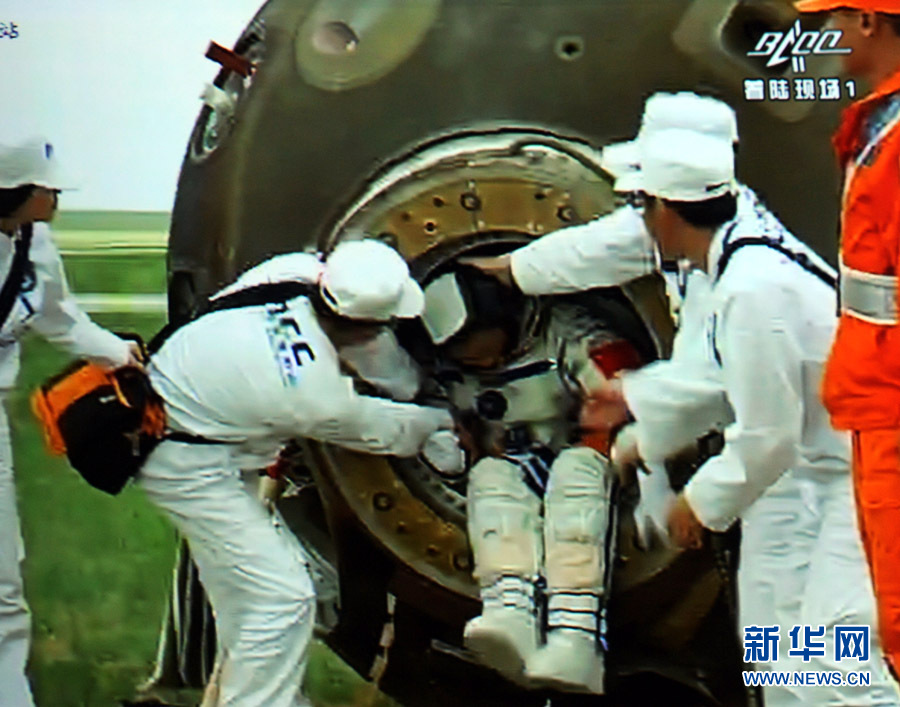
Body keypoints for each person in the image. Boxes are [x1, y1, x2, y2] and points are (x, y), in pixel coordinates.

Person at [597, 125, 895, 705]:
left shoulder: (754, 288)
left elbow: (768, 434)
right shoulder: (735, 267)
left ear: (667, 211)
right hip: (797, 483)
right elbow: (718, 380)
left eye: (642, 205)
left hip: (850, 483)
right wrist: (637, 419)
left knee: (841, 668)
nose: (640, 221)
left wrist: (700, 503)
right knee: (779, 662)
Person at [140, 239, 454, 707]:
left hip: (194, 415)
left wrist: (412, 386)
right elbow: (382, 429)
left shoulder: (293, 272)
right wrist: (445, 421)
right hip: (189, 467)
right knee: (281, 598)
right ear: (365, 324)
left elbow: (370, 348)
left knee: (246, 600)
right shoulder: (313, 394)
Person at [416, 263, 643, 694]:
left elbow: (625, 392)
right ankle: (510, 614)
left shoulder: (566, 335)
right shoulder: (445, 369)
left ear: (500, 317)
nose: (484, 364)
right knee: (491, 479)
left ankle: (576, 637)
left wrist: (601, 437)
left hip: (588, 453)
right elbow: (444, 420)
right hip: (517, 459)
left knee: (576, 481)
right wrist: (464, 445)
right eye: (470, 360)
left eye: (485, 352)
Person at [0, 137, 140, 707]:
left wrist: (120, 355)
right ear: (16, 191)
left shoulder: (35, 244)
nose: (56, 198)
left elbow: (61, 320)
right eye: (47, 188)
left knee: (3, 580)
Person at [794, 0, 900, 681]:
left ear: (868, 20)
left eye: (829, 19)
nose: (821, 36)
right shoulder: (879, 128)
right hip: (876, 396)